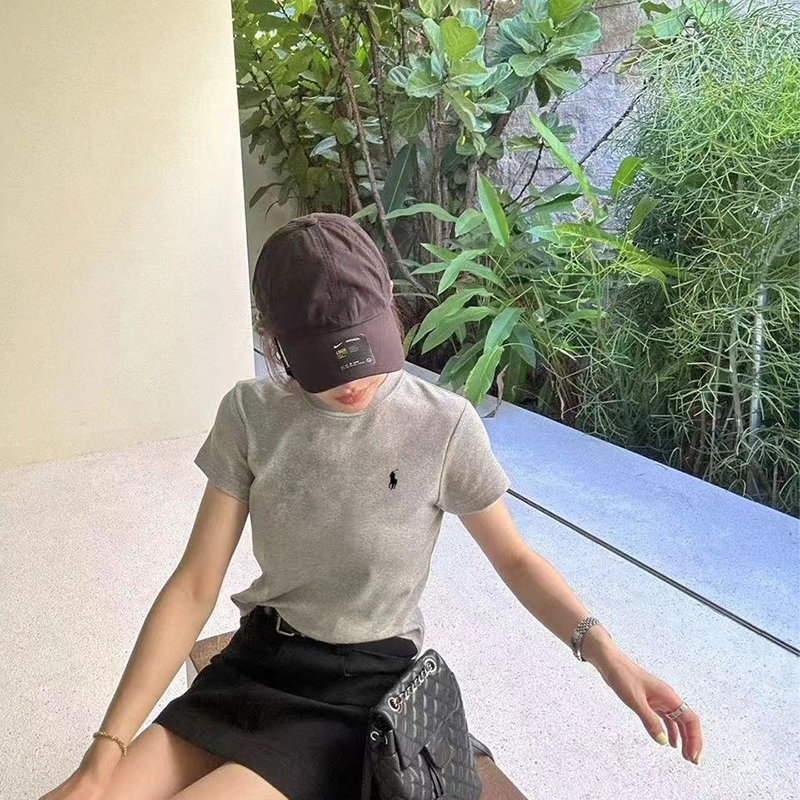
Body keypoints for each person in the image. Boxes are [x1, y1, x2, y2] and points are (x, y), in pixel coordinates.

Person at [40, 213, 703, 800]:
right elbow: (194, 584)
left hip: (359, 691)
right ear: (274, 341)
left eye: (365, 350)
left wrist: (609, 655)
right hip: (259, 662)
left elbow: (516, 559)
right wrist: (104, 751)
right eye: (326, 362)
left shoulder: (442, 424)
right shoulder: (250, 413)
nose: (354, 379)